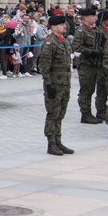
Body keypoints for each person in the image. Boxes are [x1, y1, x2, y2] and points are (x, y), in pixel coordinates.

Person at [39, 15, 74, 156]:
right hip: (54, 84)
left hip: (65, 83)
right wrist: (48, 84)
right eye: (61, 25)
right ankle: (51, 143)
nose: (64, 26)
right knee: (53, 113)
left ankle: (58, 141)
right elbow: (44, 66)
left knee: (61, 113)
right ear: (53, 27)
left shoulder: (63, 42)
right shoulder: (50, 43)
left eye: (64, 24)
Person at [73, 7, 105, 124]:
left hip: (94, 64)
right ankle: (85, 114)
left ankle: (90, 113)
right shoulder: (81, 31)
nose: (95, 18)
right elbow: (77, 46)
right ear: (86, 18)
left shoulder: (93, 30)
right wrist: (91, 52)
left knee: (91, 89)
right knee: (86, 90)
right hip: (86, 64)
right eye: (93, 16)